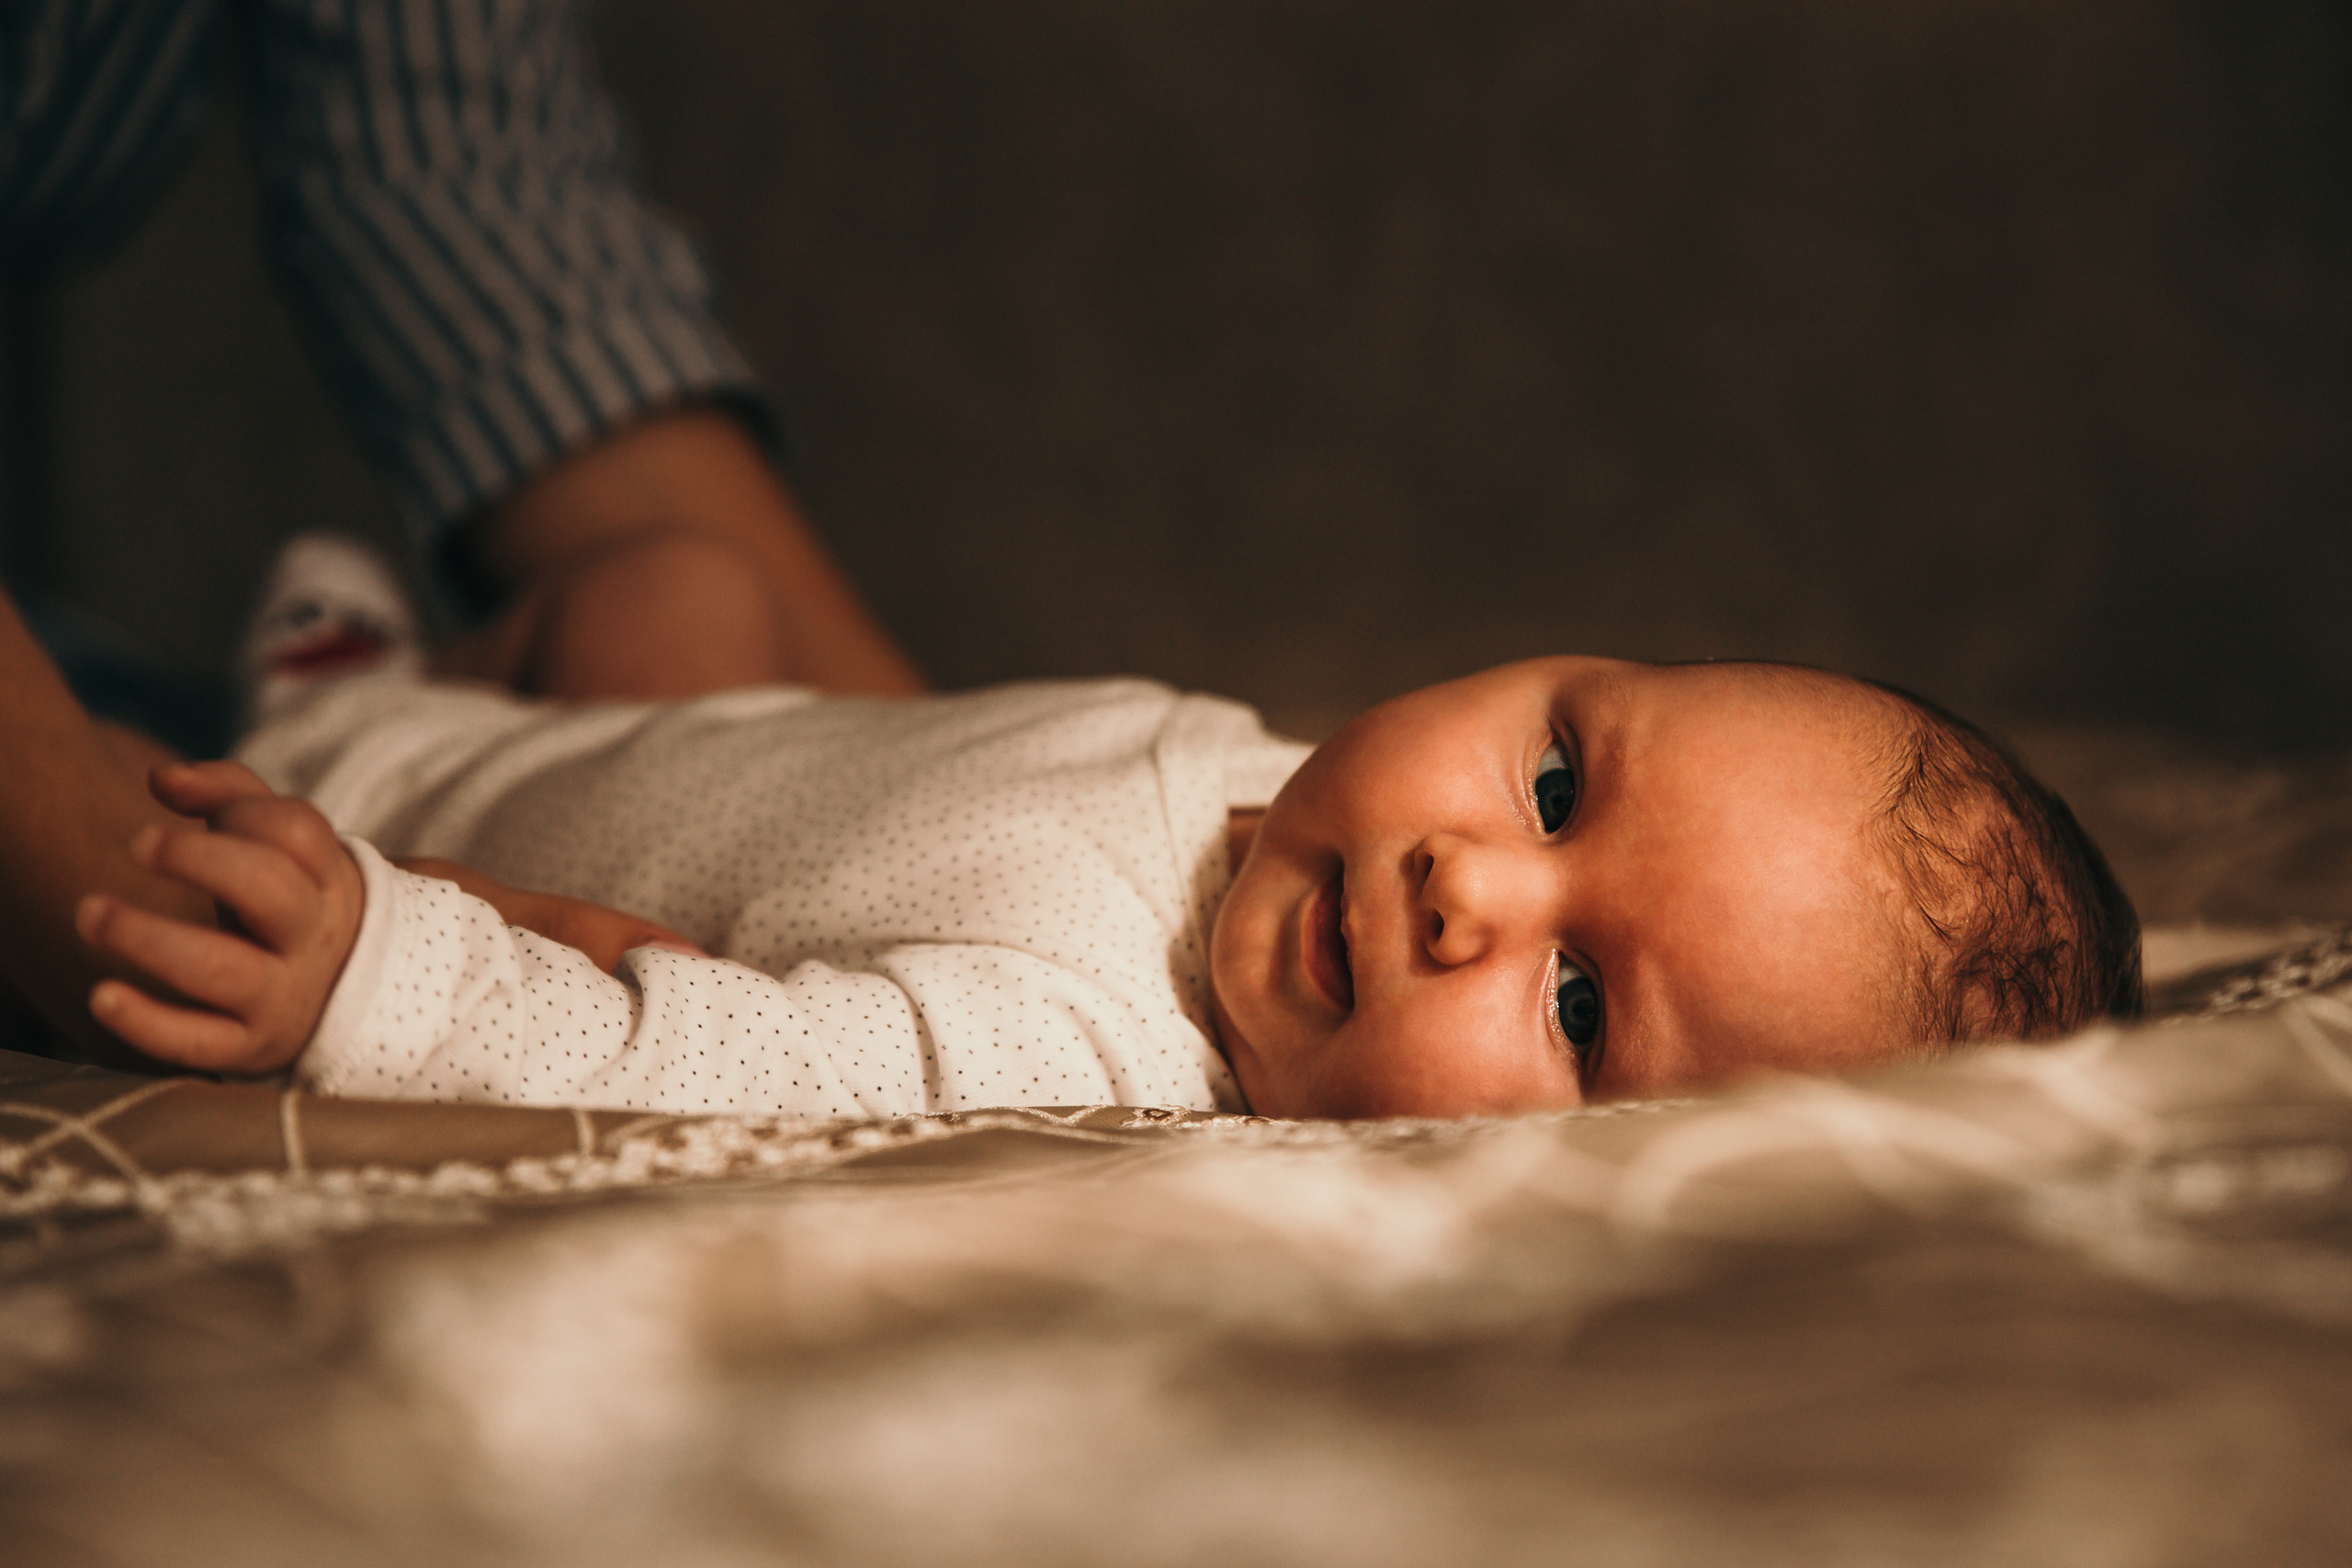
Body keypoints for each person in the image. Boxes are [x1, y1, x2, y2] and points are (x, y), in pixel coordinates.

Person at [67, 535, 2143, 1121]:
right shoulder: (1261, 765)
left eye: (1580, 1008)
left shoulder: (1070, 1047)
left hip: (356, 831)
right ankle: (372, 678)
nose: (1469, 887)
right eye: (1552, 779)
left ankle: (323, 726)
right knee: (675, 591)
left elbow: (694, 1046)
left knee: (305, 799)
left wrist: (379, 968)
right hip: (636, 730)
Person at [0, 0, 922, 1061]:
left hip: (381, 775)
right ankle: (343, 720)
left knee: (688, 597)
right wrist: (152, 898)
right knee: (157, 808)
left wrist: (924, 772)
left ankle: (356, 706)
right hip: (232, 787)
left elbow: (464, 179)